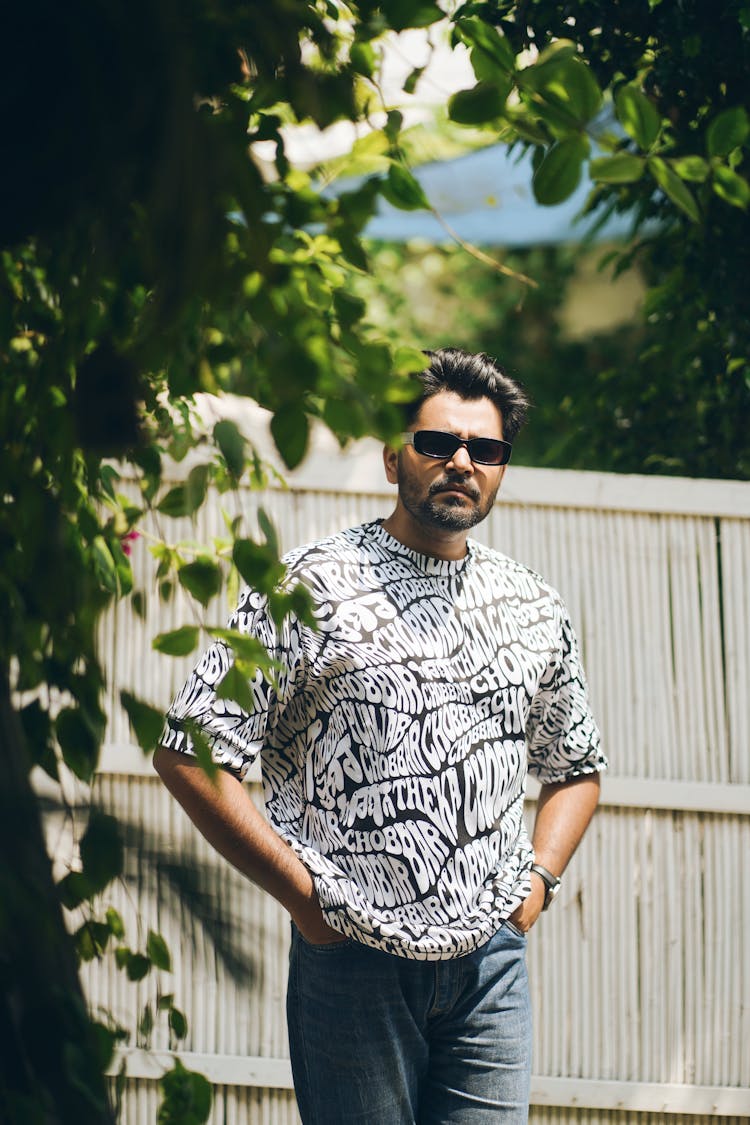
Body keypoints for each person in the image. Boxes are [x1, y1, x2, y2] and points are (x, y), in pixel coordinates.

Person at [154, 347, 607, 1124]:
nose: (461, 462)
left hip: (490, 969)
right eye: (437, 443)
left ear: (502, 468)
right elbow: (191, 748)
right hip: (352, 959)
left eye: (485, 450)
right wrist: (308, 904)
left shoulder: (532, 606)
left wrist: (537, 884)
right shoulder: (310, 585)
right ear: (393, 457)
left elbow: (577, 767)